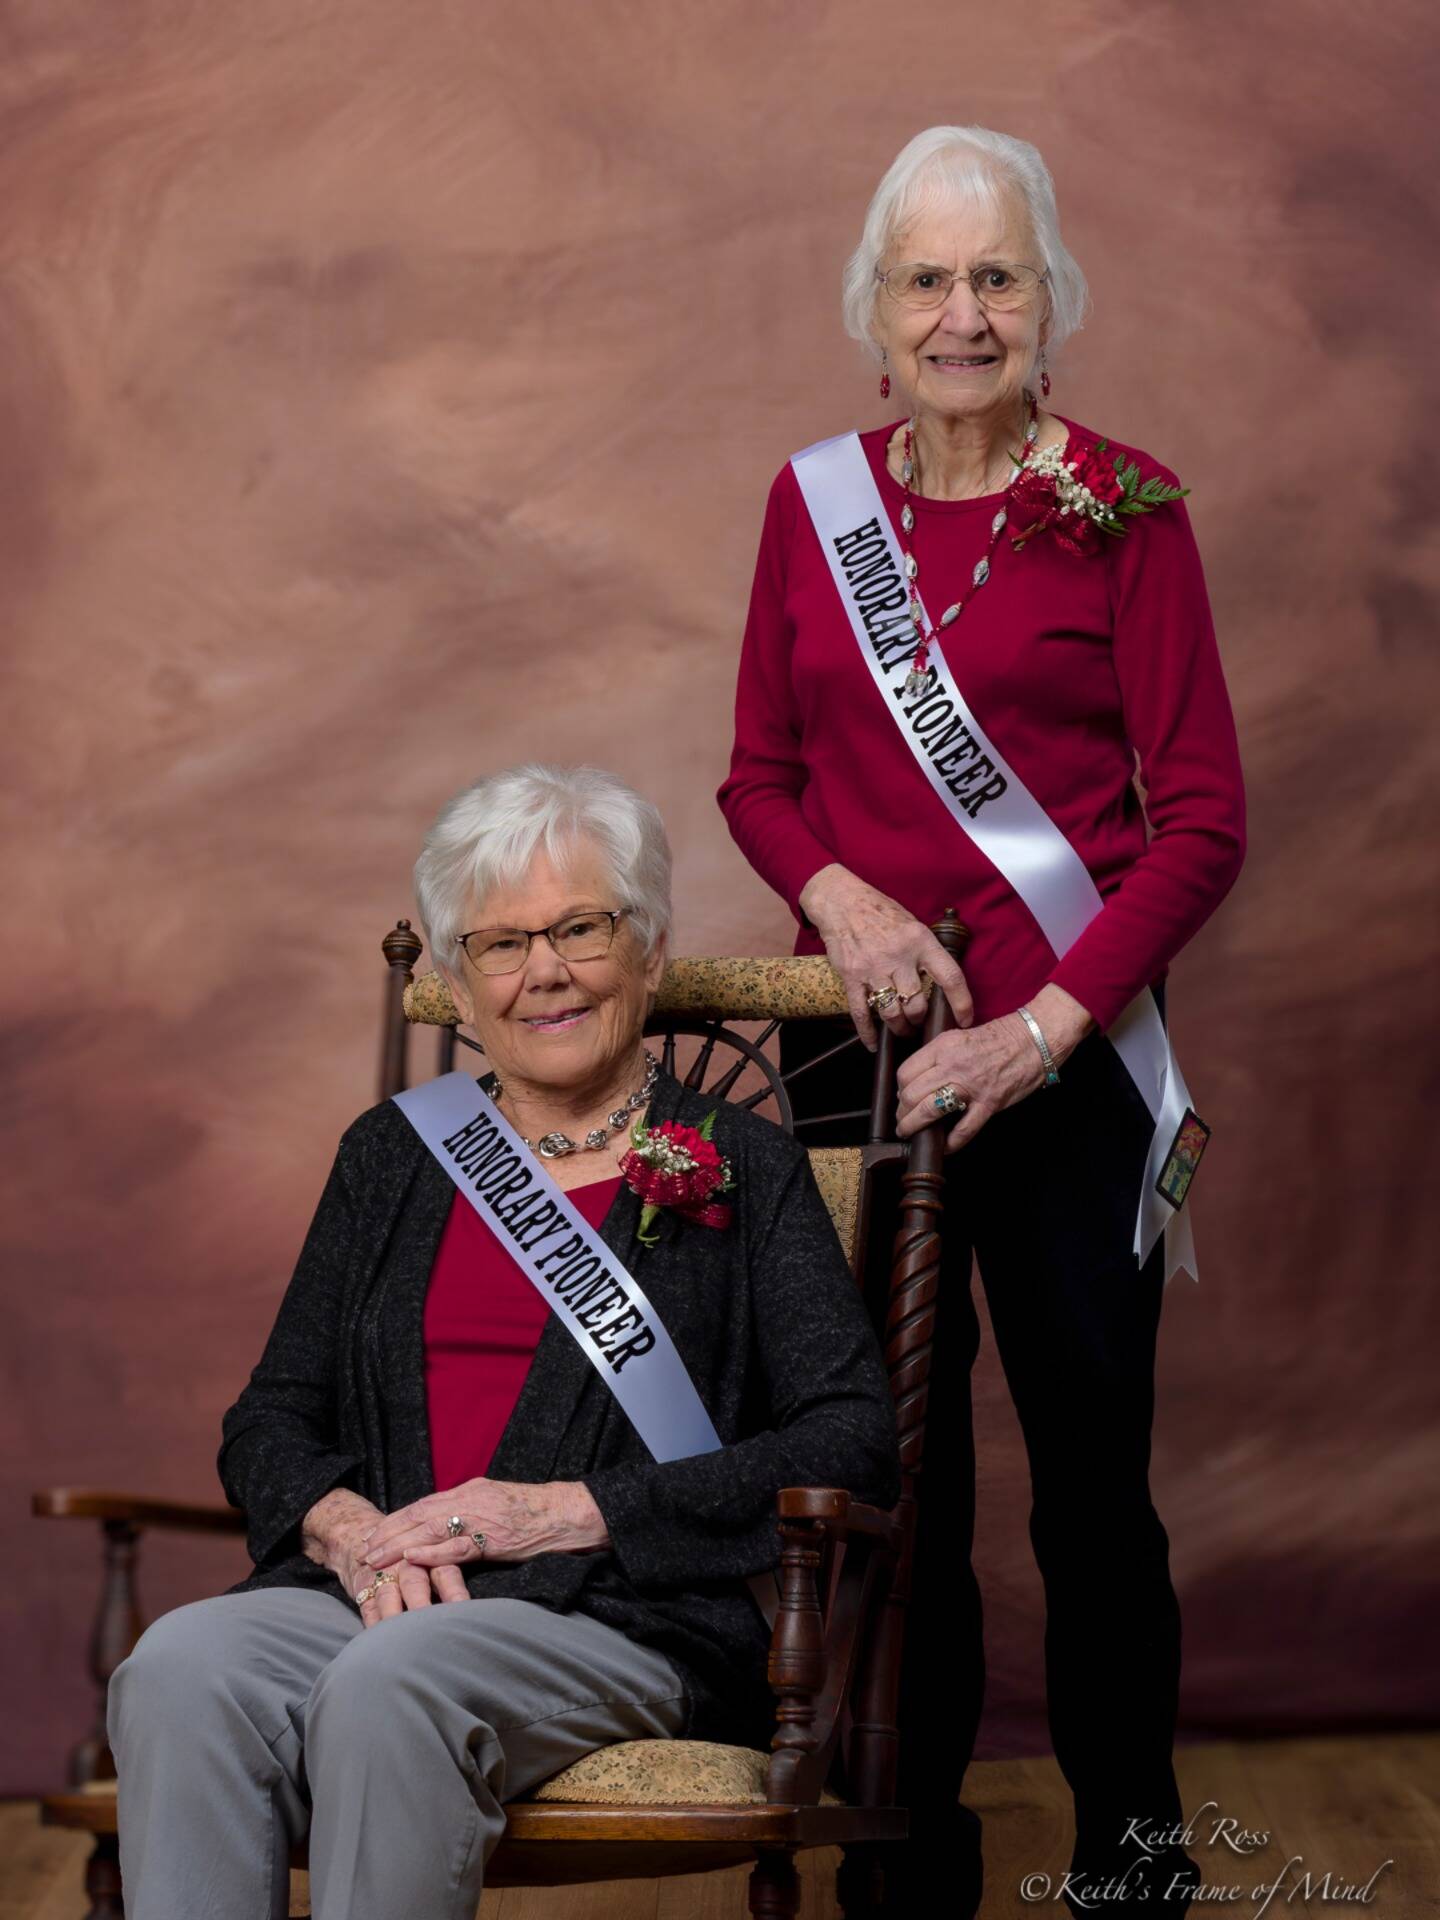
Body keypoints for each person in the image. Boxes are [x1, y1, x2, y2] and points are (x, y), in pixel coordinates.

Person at [718, 124, 1246, 1912]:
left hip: (1066, 1061)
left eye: (996, 275)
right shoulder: (814, 506)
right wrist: (843, 901)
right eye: (928, 278)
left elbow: (1203, 826)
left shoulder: (1131, 508)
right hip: (857, 1056)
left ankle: (1137, 1864)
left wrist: (1039, 1033)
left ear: (1050, 298)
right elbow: (760, 780)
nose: (963, 313)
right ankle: (902, 1859)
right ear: (876, 306)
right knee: (890, 1487)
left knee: (1094, 1491)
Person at [108, 763, 900, 1920]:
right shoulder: (389, 1157)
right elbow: (269, 1419)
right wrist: (348, 1533)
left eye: (582, 926)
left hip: (620, 1617)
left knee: (394, 1682)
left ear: (651, 946)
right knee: (179, 1666)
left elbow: (853, 1440)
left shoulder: (745, 1165)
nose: (546, 974)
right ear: (454, 981)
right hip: (377, 1599)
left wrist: (572, 1510)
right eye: (499, 944)